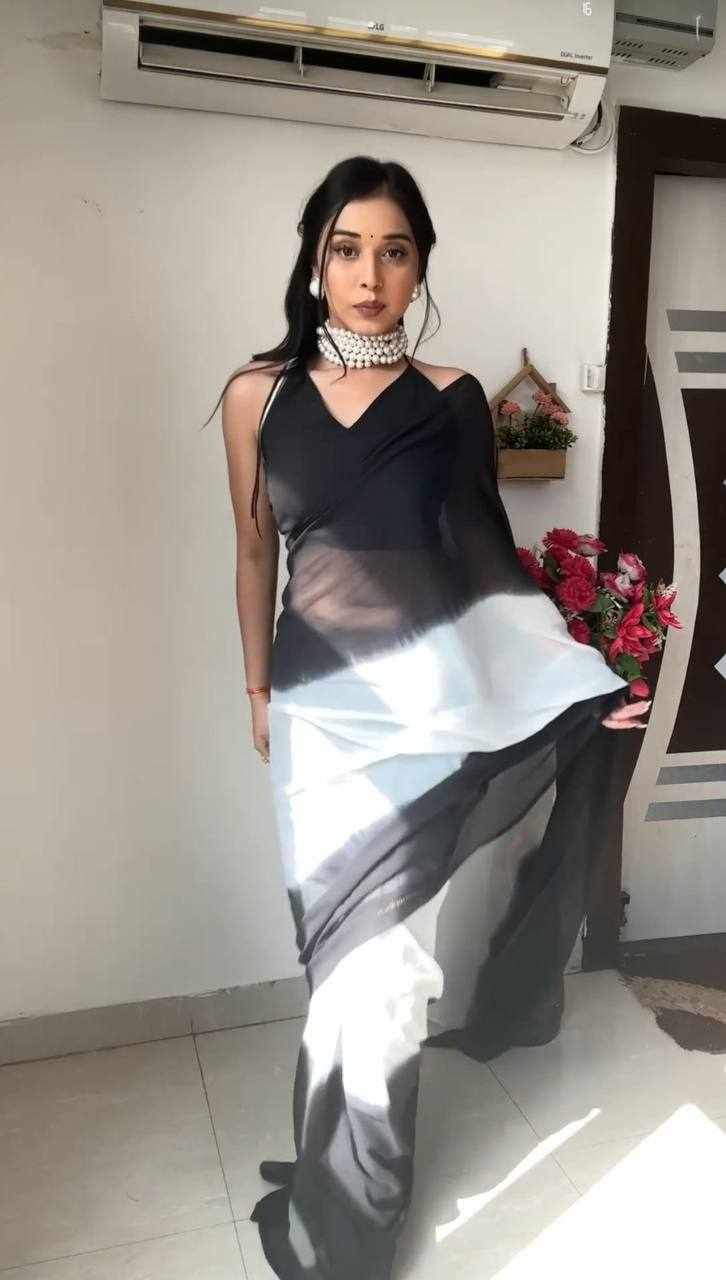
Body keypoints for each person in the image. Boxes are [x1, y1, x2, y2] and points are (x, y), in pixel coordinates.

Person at [209, 156, 651, 1280]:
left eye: (394, 251)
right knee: (337, 966)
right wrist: (256, 691)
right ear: (316, 262)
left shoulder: (454, 400)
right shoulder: (256, 395)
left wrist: (581, 678)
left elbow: (484, 567)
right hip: (316, 719)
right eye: (348, 249)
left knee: (388, 970)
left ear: (419, 270)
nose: (370, 274)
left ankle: (356, 1216)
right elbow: (254, 553)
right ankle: (333, 1165)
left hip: (424, 718)